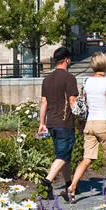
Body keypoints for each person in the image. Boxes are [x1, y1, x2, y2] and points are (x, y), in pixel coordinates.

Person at [67, 52, 106, 203]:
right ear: (105, 64)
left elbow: (84, 103)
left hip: (90, 123)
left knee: (86, 158)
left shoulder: (87, 81)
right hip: (103, 122)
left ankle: (72, 186)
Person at [38, 47, 78, 200]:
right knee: (62, 155)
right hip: (64, 122)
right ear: (67, 59)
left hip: (51, 123)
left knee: (64, 156)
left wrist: (42, 123)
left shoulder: (46, 79)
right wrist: (81, 117)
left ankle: (69, 185)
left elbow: (43, 102)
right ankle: (46, 182)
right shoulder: (69, 78)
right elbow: (72, 100)